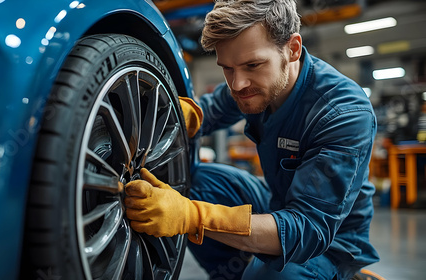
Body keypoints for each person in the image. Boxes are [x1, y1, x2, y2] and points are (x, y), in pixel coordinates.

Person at [123, 0, 380, 279]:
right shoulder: (253, 83)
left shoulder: (342, 112)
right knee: (197, 184)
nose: (237, 84)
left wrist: (193, 217)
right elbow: (209, 111)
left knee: (272, 275)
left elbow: (307, 229)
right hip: (278, 203)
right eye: (227, 68)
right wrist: (173, 115)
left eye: (252, 65)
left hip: (328, 239)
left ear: (292, 49)